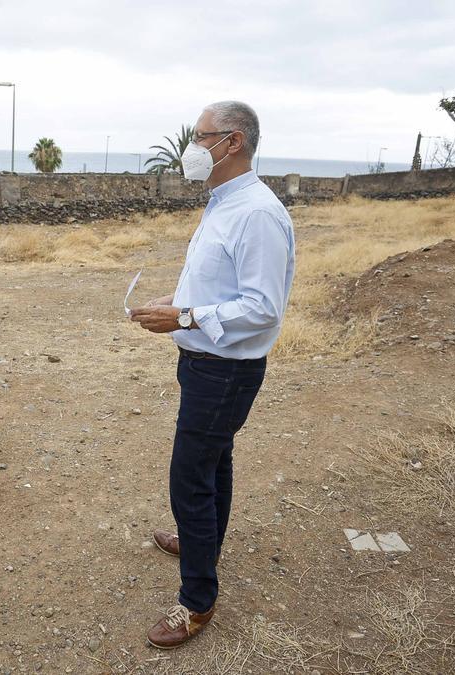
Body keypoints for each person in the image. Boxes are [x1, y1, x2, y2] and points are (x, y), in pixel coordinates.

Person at [128, 101, 295, 649]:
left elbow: (264, 307)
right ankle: (205, 542)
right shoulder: (224, 203)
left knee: (189, 477)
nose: (191, 148)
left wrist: (186, 315)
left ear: (234, 143)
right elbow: (220, 285)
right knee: (213, 460)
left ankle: (197, 601)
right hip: (203, 362)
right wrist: (178, 302)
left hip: (225, 371)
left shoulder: (258, 213)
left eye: (201, 137)